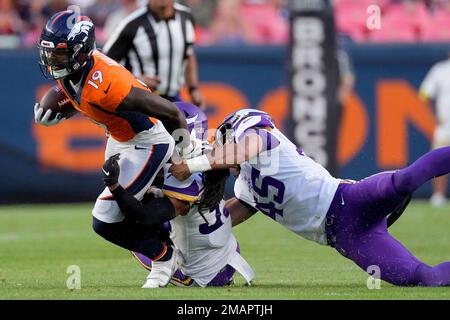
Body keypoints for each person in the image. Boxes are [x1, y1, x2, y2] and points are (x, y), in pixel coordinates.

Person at [170, 108, 450, 287]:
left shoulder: (255, 135)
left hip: (347, 199)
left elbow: (245, 149)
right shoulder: (245, 186)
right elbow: (223, 221)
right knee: (422, 278)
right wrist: (188, 233)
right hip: (346, 238)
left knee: (407, 179)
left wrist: (196, 164)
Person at [34, 10, 202, 286]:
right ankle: (169, 252)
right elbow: (78, 93)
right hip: (120, 139)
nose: (52, 61)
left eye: (59, 55)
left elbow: (172, 113)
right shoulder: (76, 70)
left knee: (104, 218)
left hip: (147, 142)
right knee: (125, 210)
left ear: (79, 52)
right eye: (50, 54)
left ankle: (164, 256)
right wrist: (59, 107)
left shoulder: (108, 85)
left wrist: (184, 156)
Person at [101, 102, 254, 288]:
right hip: (228, 256)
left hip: (205, 275)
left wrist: (115, 186)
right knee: (158, 206)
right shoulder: (207, 156)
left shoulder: (184, 174)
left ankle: (172, 263)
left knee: (130, 229)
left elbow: (143, 217)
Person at [102, 0, 206, 109]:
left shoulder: (186, 17)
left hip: (174, 99)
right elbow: (104, 64)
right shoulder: (131, 24)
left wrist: (193, 89)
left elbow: (188, 53)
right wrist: (134, 80)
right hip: (140, 102)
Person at [419, 51, 450, 207]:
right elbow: (425, 94)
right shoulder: (440, 70)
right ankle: (438, 195)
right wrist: (435, 117)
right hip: (445, 125)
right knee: (439, 160)